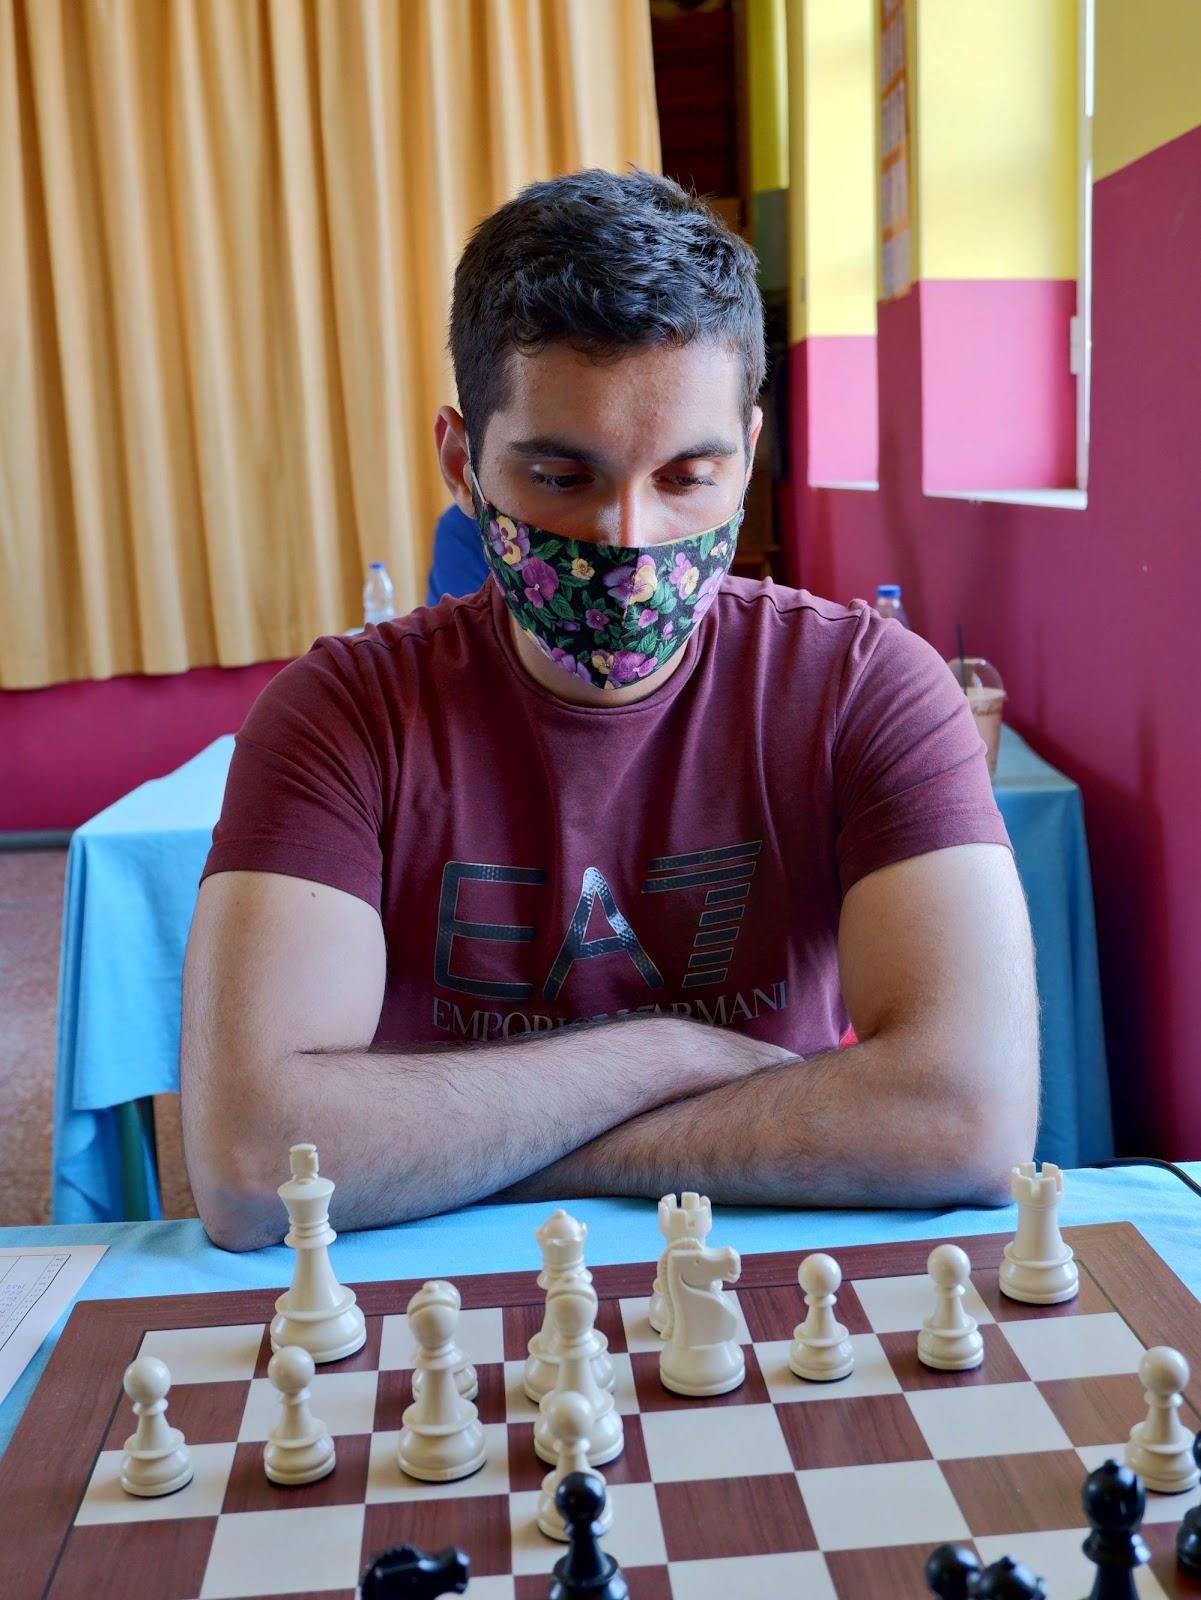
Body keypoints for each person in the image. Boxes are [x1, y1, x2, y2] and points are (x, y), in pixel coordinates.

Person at [181, 169, 1038, 1252]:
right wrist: (667, 1057)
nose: (628, 541)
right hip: (435, 1300)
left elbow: (967, 1121)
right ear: (461, 464)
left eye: (687, 477)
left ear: (749, 456)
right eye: (560, 476)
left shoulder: (868, 686)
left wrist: (479, 1144)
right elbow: (253, 1164)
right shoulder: (337, 713)